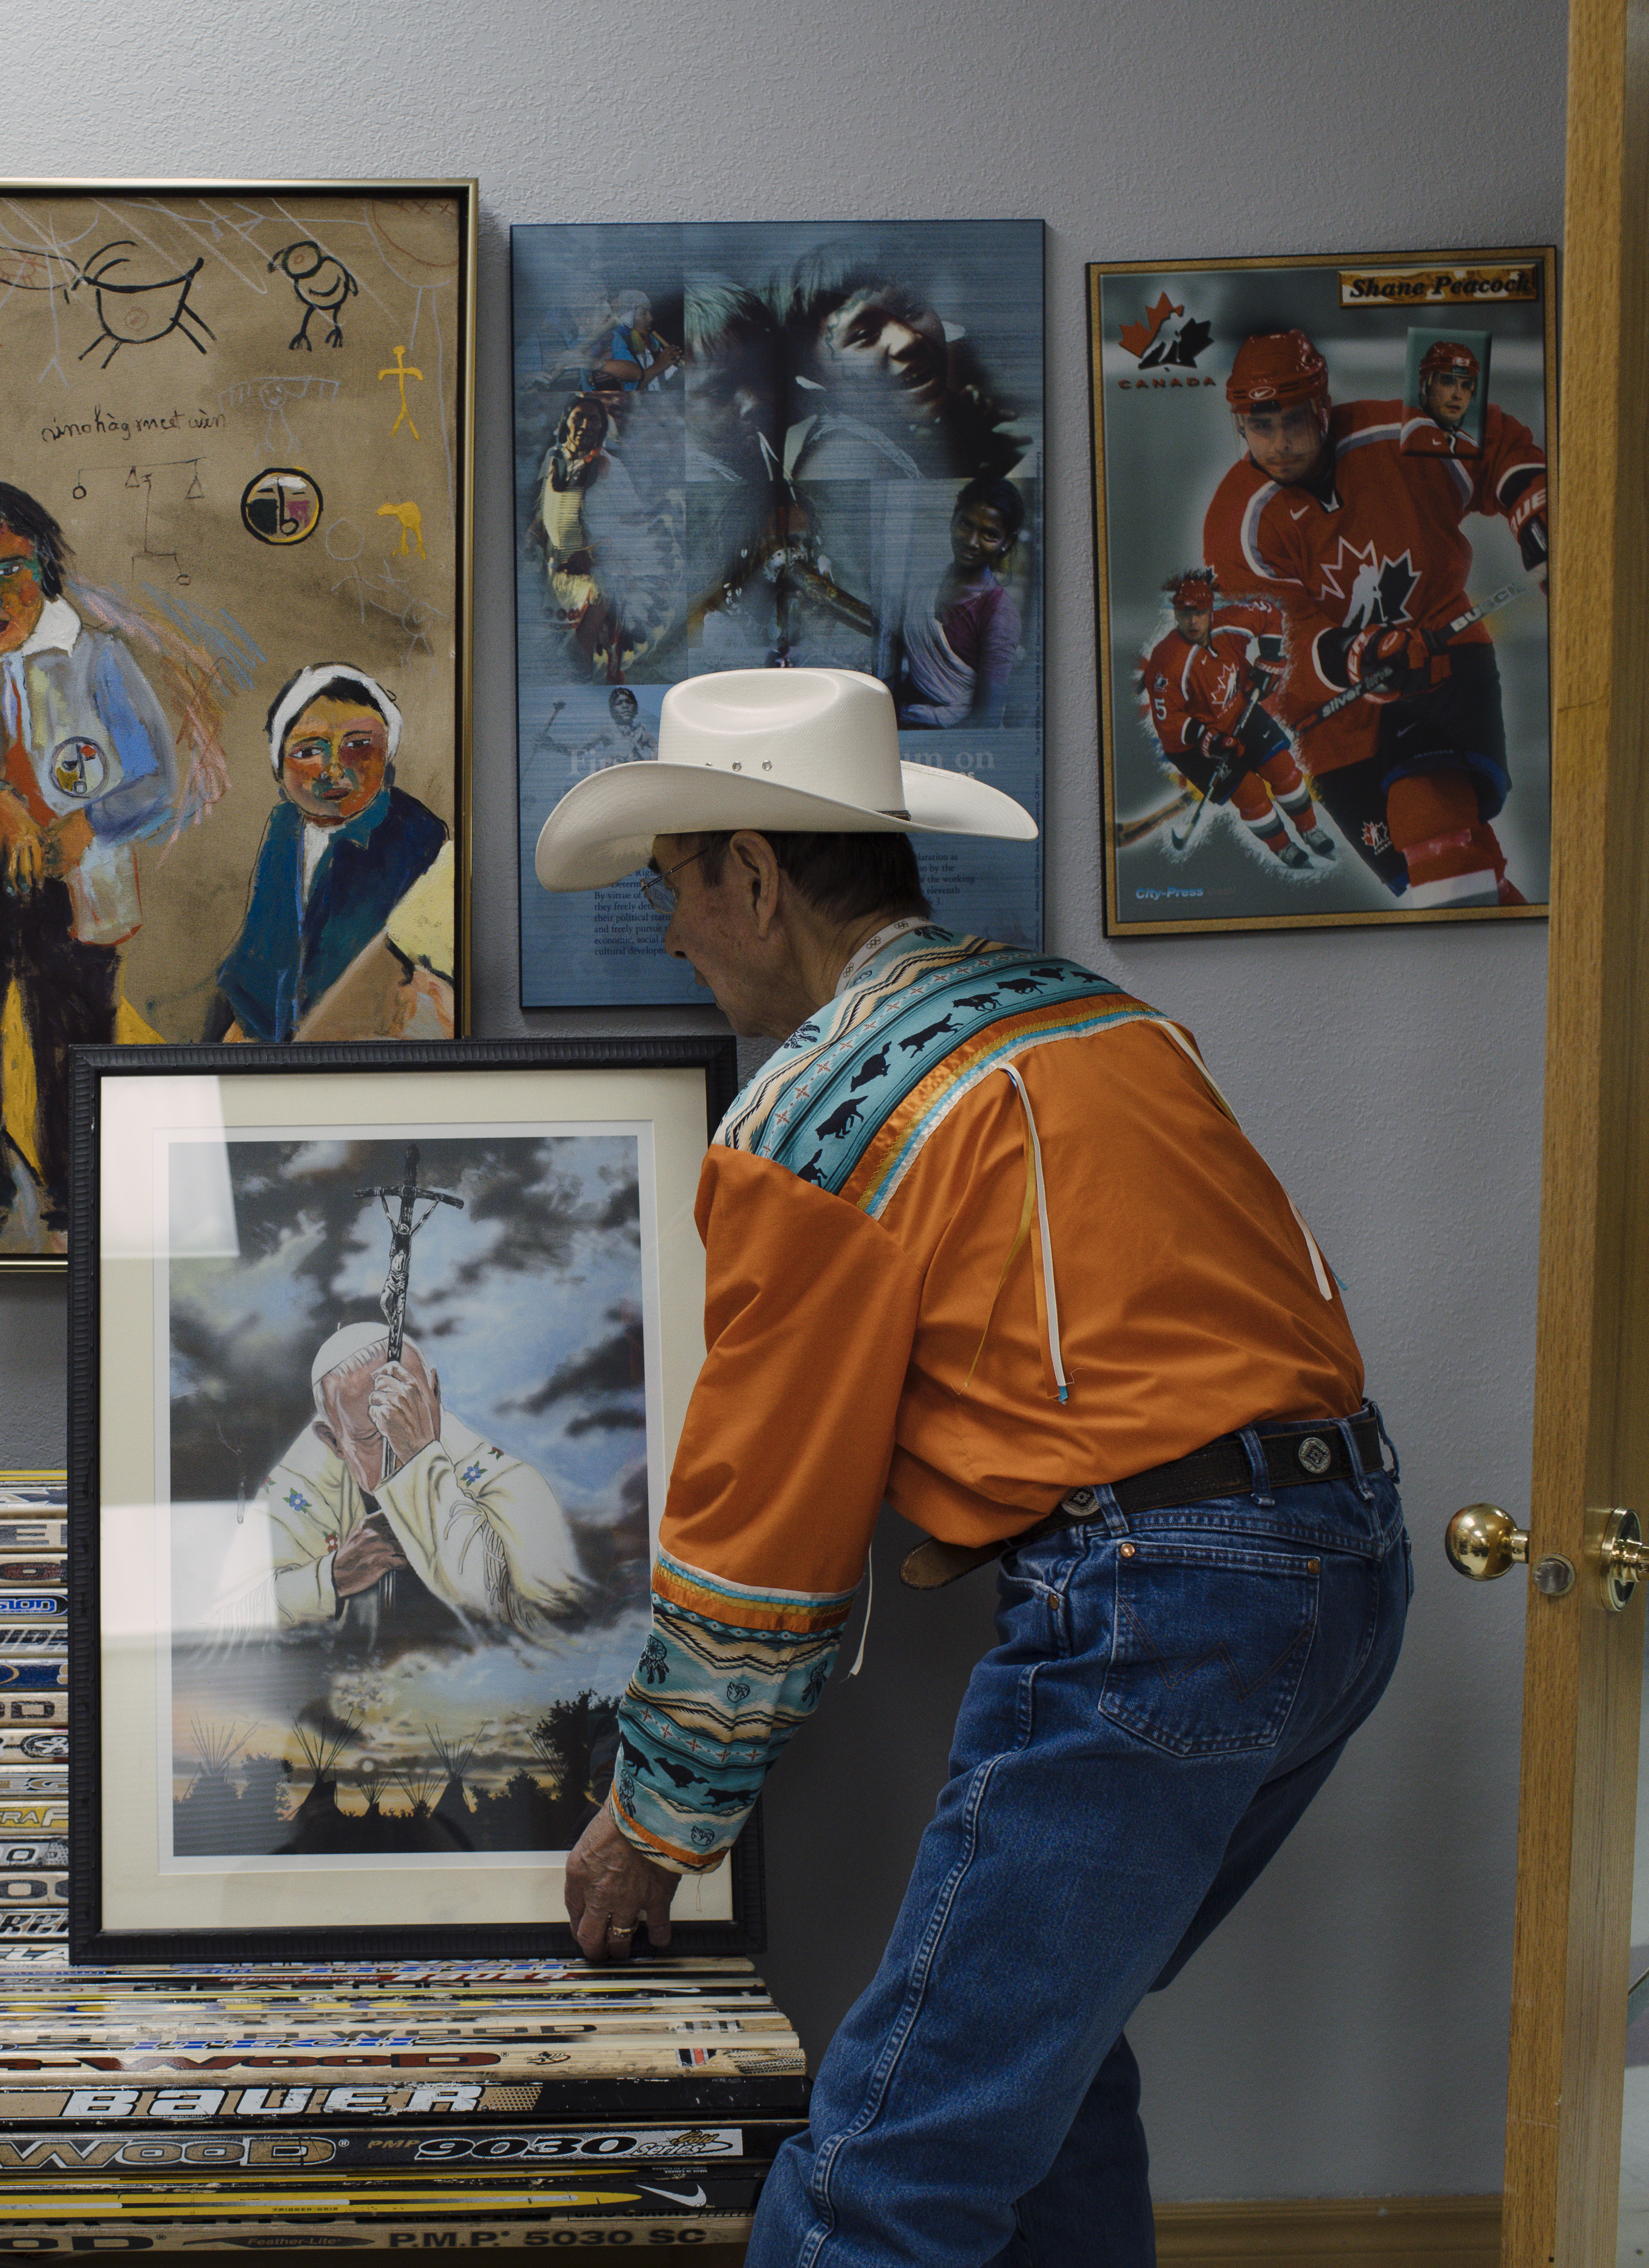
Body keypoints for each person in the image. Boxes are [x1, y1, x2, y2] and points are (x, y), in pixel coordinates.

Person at [531, 666, 1409, 2268]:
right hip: (1347, 1570)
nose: (670, 931)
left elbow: (759, 1542)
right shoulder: (1097, 1016)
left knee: (882, 2161)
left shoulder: (815, 1111)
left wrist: (650, 1824)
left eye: (673, 886)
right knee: (1034, 2072)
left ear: (749, 871)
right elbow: (1151, 1349)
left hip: (1160, 1602)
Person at [0, 479, 176, 1249]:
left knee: (74, 1038)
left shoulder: (97, 660)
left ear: (44, 576)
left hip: (73, 881)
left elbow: (154, 780)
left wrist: (91, 819)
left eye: (7, 572)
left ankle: (76, 1203)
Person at [1201, 326, 1548, 907]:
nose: (1281, 443)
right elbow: (1275, 643)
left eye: (1294, 421)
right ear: (1239, 424)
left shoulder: (1393, 436)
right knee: (1433, 883)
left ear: (1322, 405)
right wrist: (1355, 656)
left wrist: (1535, 511)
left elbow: (1498, 448)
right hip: (1331, 720)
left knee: (1439, 839)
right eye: (1262, 426)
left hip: (1440, 657)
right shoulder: (1235, 521)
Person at [242, 1321, 583, 1655]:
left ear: (434, 1391)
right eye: (374, 1437)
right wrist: (334, 1575)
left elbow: (550, 1620)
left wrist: (421, 1458)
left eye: (410, 1417)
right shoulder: (300, 1485)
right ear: (334, 1442)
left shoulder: (508, 1483)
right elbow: (234, 1611)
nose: (397, 1448)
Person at [209, 666, 451, 1043]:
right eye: (307, 752)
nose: (333, 769)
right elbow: (264, 946)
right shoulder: (285, 824)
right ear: (280, 764)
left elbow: (381, 973)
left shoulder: (416, 832)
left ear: (387, 749)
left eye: (357, 745)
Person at [1132, 566, 1335, 870]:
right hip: (1192, 744)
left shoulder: (1231, 624)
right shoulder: (1167, 662)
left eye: (1199, 612)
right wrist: (1209, 740)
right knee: (1250, 794)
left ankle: (1309, 829)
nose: (1193, 621)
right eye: (1185, 614)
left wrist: (1268, 659)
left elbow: (1269, 614)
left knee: (1284, 770)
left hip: (1240, 711)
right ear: (1175, 615)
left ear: (1210, 610)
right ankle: (1283, 846)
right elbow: (1170, 726)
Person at [883, 476, 1027, 729]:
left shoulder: (999, 613)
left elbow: (986, 719)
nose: (971, 541)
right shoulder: (926, 586)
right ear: (953, 519)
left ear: (1008, 542)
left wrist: (933, 724)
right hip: (905, 718)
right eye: (966, 524)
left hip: (953, 739)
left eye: (989, 534)